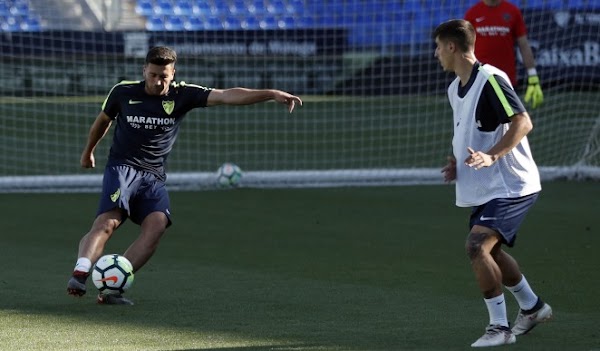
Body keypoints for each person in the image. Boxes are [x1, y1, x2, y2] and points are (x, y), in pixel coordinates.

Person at [66, 46, 303, 305]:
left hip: (153, 176)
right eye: (154, 74)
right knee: (108, 222)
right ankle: (80, 272)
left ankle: (112, 287)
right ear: (144, 70)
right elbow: (102, 121)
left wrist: (271, 94)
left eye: (164, 76)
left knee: (156, 226)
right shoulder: (122, 92)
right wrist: (88, 152)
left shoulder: (183, 94)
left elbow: (226, 96)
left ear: (173, 73)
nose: (158, 81)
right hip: (122, 167)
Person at [433, 20, 552, 347]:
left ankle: (499, 328)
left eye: (438, 47)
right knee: (492, 252)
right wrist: (456, 161)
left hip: (512, 184)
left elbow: (522, 122)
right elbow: (466, 129)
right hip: (487, 186)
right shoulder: (454, 88)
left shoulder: (490, 78)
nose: (436, 54)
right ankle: (533, 307)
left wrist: (492, 156)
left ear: (452, 47)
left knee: (476, 247)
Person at [464, 0, 544, 109]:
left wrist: (533, 75)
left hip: (506, 81)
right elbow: (464, 49)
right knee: (481, 124)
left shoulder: (512, 11)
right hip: (479, 81)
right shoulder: (472, 13)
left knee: (511, 123)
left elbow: (524, 45)